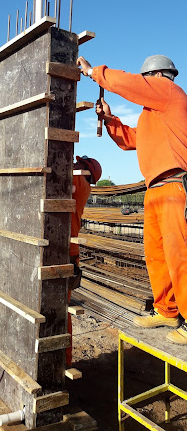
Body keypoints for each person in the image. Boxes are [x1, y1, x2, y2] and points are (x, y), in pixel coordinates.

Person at [77, 54, 187, 344]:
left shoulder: (169, 93)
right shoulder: (154, 114)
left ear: (159, 77)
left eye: (148, 80)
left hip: (174, 185)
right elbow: (130, 140)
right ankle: (167, 310)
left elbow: (129, 84)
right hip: (154, 189)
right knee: (157, 255)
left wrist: (94, 73)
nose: (147, 85)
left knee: (180, 256)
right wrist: (110, 119)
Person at [67, 155, 102, 365]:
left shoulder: (77, 182)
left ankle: (64, 361)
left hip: (67, 251)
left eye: (78, 163)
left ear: (85, 169)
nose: (73, 164)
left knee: (60, 308)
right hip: (69, 250)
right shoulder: (80, 183)